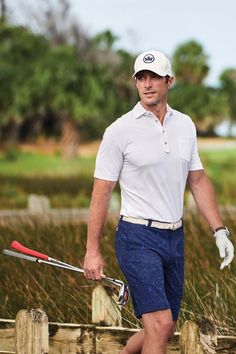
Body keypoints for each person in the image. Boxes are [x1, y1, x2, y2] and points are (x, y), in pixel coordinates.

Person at [83, 50, 234, 354]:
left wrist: (220, 230)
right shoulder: (119, 131)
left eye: (154, 77)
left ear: (169, 81)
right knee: (160, 325)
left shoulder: (185, 126)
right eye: (141, 77)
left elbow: (198, 181)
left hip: (174, 237)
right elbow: (101, 193)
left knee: (166, 326)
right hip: (137, 237)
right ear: (135, 82)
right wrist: (92, 251)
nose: (147, 84)